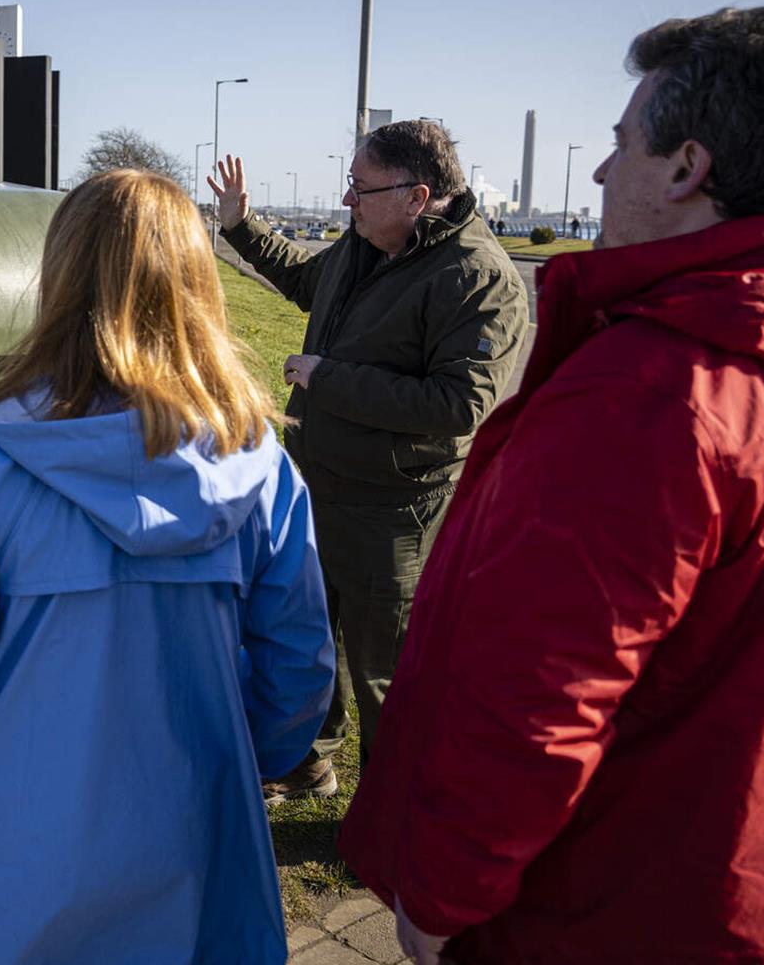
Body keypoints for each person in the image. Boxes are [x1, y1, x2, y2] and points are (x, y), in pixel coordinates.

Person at [339, 7, 764, 964]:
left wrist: (437, 899)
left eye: (618, 144)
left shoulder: (656, 392)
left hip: (602, 912)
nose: (598, 174)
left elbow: (539, 700)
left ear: (686, 167)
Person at [0, 169, 337, 964]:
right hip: (196, 826)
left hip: (8, 846)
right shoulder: (259, 462)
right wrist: (233, 761)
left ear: (60, 275)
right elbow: (298, 666)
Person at [208, 122, 527, 800]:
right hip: (320, 483)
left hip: (393, 506)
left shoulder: (478, 277)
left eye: (360, 187)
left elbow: (459, 405)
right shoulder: (366, 243)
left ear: (418, 196)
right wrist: (240, 226)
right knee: (307, 633)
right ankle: (308, 759)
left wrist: (328, 378)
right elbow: (303, 279)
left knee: (385, 668)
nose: (347, 201)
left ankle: (390, 813)